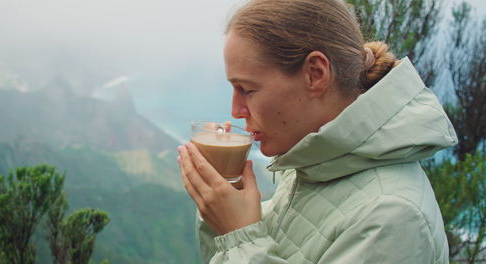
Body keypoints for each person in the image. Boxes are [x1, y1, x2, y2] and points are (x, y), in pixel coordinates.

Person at [177, 0, 457, 263]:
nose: (236, 110)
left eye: (247, 90)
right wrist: (224, 203)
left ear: (316, 73)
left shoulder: (392, 218)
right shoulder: (311, 165)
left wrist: (239, 236)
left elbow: (245, 245)